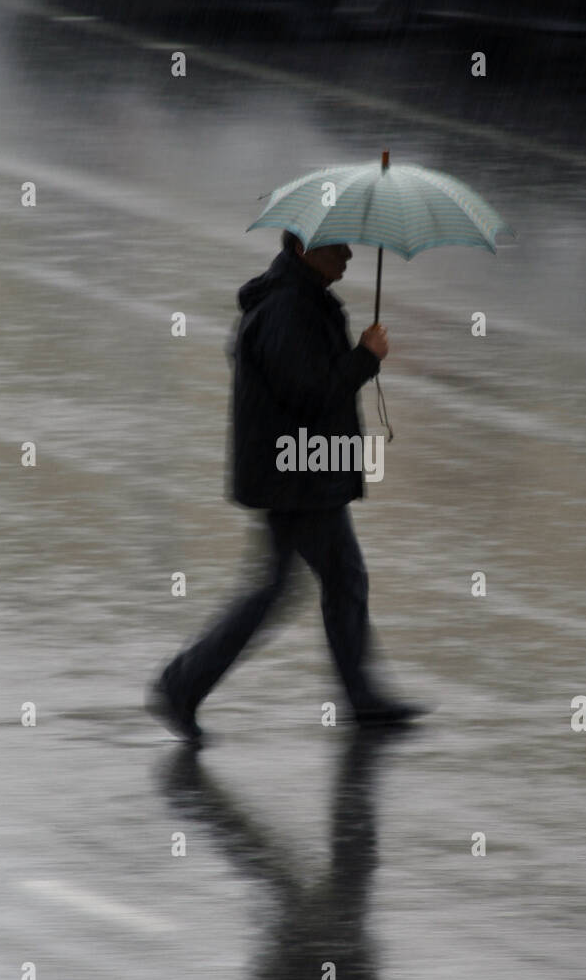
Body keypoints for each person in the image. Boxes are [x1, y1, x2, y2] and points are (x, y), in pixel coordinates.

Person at [147, 230, 424, 744]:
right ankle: (181, 684)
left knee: (329, 580)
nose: (348, 256)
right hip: (295, 476)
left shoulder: (302, 301)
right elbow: (307, 392)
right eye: (337, 247)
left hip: (301, 472)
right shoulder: (289, 309)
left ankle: (359, 699)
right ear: (303, 251)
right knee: (302, 585)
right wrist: (365, 356)